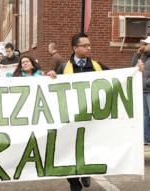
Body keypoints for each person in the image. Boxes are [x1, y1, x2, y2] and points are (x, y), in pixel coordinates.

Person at [56, 33, 109, 191]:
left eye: (89, 45)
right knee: (68, 150)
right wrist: (51, 76)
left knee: (88, 147)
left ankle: (86, 171)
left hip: (91, 118)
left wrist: (136, 71)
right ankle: (74, 182)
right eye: (85, 45)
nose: (88, 48)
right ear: (75, 48)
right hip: (70, 118)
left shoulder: (97, 66)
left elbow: (119, 78)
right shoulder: (64, 68)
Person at [132, 36, 150, 145]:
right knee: (145, 116)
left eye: (146, 44)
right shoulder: (142, 56)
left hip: (148, 89)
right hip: (143, 90)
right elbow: (133, 67)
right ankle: (146, 138)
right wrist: (137, 54)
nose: (143, 46)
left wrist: (147, 82)